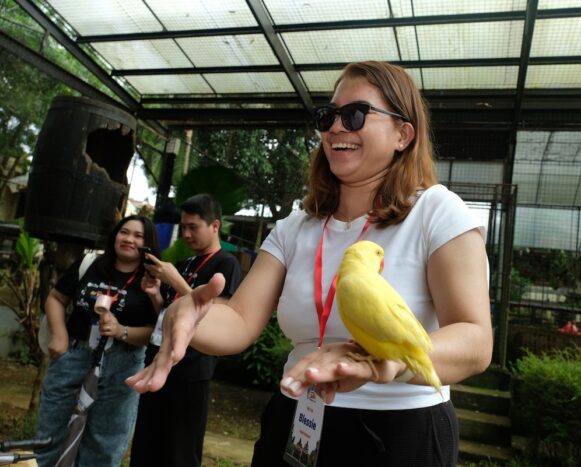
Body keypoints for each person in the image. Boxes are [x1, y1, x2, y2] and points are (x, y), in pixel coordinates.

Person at [128, 61, 492, 467]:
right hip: (297, 418)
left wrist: (382, 364)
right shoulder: (295, 227)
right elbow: (239, 321)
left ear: (403, 134)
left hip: (399, 429)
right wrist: (188, 314)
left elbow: (476, 342)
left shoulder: (438, 211)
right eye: (328, 116)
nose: (336, 127)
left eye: (355, 115)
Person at [36, 215, 160, 467]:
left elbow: (156, 331)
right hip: (74, 355)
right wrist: (60, 335)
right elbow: (56, 299)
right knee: (49, 437)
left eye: (138, 236)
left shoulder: (152, 281)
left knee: (105, 444)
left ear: (148, 245)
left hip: (123, 365)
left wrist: (122, 330)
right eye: (124, 232)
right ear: (114, 235)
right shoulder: (89, 264)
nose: (129, 239)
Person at [129, 193, 242, 467]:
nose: (187, 234)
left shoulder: (226, 264)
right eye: (184, 227)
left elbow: (214, 317)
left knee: (179, 450)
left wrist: (175, 280)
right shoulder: (184, 263)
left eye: (194, 227)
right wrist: (156, 293)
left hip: (191, 370)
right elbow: (169, 315)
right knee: (146, 446)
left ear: (215, 226)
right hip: (158, 362)